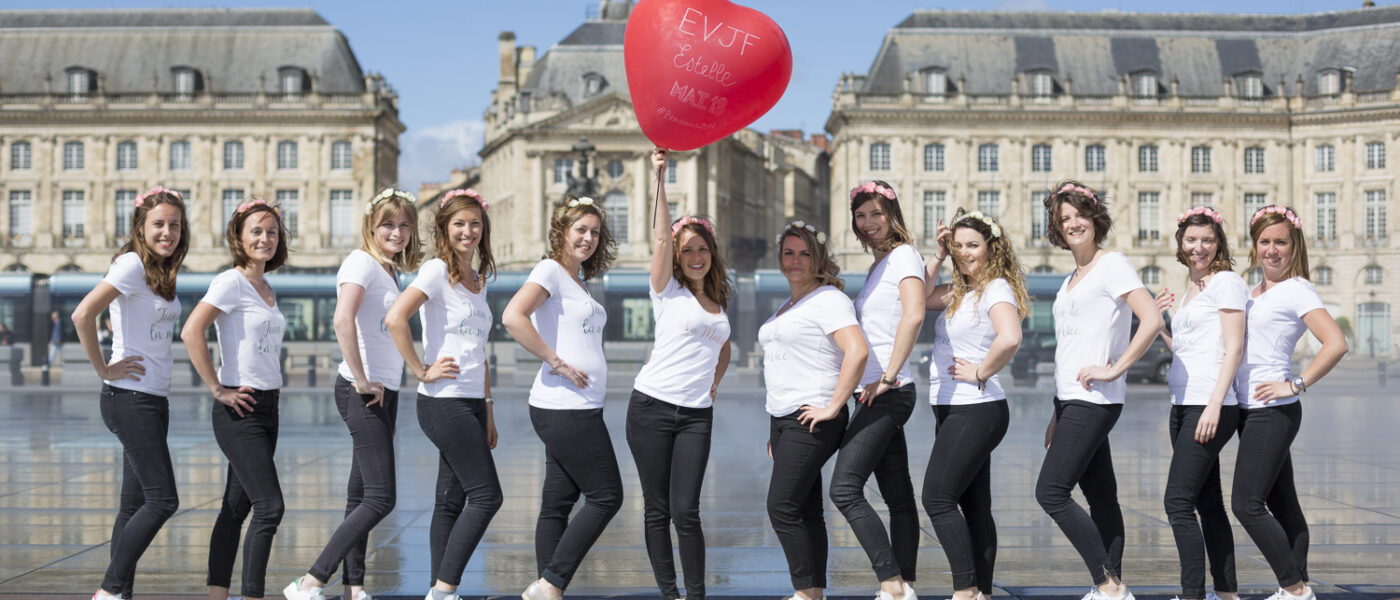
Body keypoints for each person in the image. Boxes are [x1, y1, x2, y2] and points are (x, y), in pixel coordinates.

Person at [284, 188, 421, 600]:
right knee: (381, 498)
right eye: (388, 225)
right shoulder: (360, 262)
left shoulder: (390, 270)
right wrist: (361, 379)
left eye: (404, 225)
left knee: (361, 495)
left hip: (384, 390)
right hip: (363, 390)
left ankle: (353, 586)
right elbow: (342, 320)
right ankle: (310, 581)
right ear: (371, 227)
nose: (397, 233)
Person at [1036, 181, 1162, 600]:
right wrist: (1057, 411)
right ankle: (1112, 589)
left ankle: (1108, 583)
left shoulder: (1113, 265)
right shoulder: (1072, 277)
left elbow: (1151, 320)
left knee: (1051, 492)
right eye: (1064, 218)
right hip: (1072, 400)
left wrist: (1115, 369)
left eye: (1079, 215)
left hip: (1095, 399)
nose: (1073, 223)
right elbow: (1071, 349)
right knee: (1101, 496)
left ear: (1095, 218)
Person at [71, 186, 189, 600]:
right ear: (140, 226)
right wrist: (103, 368)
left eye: (174, 225)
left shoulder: (159, 269)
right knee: (163, 500)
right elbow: (83, 314)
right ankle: (109, 590)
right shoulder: (130, 264)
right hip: (129, 397)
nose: (167, 232)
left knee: (132, 504)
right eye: (158, 224)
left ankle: (120, 592)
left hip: (152, 398)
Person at [385, 188, 502, 600]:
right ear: (444, 230)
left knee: (450, 502)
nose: (468, 231)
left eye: (474, 223)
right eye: (459, 224)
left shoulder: (478, 279)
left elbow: (479, 352)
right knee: (487, 496)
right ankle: (444, 588)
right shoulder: (436, 270)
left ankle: (441, 591)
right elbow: (396, 317)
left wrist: (487, 410)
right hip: (442, 401)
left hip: (470, 401)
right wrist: (420, 369)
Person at [502, 195, 620, 600]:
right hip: (565, 406)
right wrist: (556, 360)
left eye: (594, 232)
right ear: (562, 232)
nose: (588, 238)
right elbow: (512, 316)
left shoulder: (577, 280)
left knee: (558, 501)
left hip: (575, 406)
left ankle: (545, 589)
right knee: (607, 496)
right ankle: (551, 583)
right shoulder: (549, 270)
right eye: (580, 230)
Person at [627, 149, 733, 600]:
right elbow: (659, 241)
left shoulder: (719, 301)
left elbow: (723, 345)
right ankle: (669, 593)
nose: (694, 256)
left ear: (711, 254)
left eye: (701, 249)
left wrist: (715, 381)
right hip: (650, 407)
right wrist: (659, 177)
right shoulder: (665, 291)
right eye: (686, 249)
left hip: (695, 415)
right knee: (657, 510)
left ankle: (696, 594)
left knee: (686, 511)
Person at [1232, 205, 1347, 600]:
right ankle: (1301, 584)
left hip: (1273, 411)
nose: (1272, 250)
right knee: (1284, 503)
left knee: (1246, 504)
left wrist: (1296, 384)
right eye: (1265, 242)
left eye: (1281, 241)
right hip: (1251, 410)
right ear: (1254, 246)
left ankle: (1293, 588)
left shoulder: (1297, 288)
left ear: (1294, 244)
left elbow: (1335, 344)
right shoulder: (1254, 291)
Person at [181, 198, 289, 600]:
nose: (265, 238)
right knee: (270, 507)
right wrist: (217, 388)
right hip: (239, 409)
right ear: (239, 239)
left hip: (268, 407)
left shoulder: (267, 286)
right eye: (256, 232)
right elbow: (192, 331)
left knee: (235, 508)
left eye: (272, 232)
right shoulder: (231, 281)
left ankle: (217, 595)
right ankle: (252, 596)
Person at [922, 209, 1028, 600]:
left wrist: (982, 371)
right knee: (974, 504)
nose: (964, 253)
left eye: (973, 245)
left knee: (936, 497)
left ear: (990, 249)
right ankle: (981, 591)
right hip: (954, 406)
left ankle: (965, 590)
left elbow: (1011, 337)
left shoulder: (995, 288)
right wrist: (936, 254)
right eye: (959, 245)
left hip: (976, 407)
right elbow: (917, 298)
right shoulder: (961, 291)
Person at [760, 220, 869, 600]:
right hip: (784, 418)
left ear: (818, 258)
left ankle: (805, 593)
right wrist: (773, 426)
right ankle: (814, 592)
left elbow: (857, 351)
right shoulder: (790, 304)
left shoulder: (828, 299)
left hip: (811, 416)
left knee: (782, 507)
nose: (796, 261)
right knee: (805, 510)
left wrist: (834, 405)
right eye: (789, 253)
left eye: (805, 254)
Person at [1150, 207, 1245, 600]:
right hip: (1183, 403)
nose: (1198, 247)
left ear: (1218, 243)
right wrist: (1159, 327)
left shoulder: (1226, 282)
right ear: (1181, 243)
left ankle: (1193, 594)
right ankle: (1226, 593)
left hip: (1209, 405)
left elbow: (1234, 346)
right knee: (1208, 504)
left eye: (1207, 240)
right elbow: (1188, 350)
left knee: (1177, 501)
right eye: (1191, 240)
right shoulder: (1192, 289)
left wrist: (1214, 405)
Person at [835, 181, 923, 600]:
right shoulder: (881, 265)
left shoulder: (904, 255)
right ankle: (906, 583)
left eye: (875, 214)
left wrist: (887, 376)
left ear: (892, 214)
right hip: (874, 390)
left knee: (844, 488)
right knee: (898, 495)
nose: (867, 223)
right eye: (860, 215)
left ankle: (891, 582)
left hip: (888, 390)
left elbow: (914, 314)